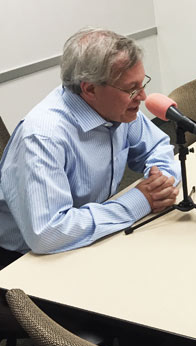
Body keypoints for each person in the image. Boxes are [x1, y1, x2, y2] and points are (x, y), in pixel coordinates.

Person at [0, 28, 181, 261]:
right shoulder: (43, 136)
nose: (143, 96)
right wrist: (139, 201)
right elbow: (47, 234)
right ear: (90, 89)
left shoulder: (117, 108)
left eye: (142, 83)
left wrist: (161, 183)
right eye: (132, 88)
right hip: (27, 260)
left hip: (92, 232)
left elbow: (157, 148)